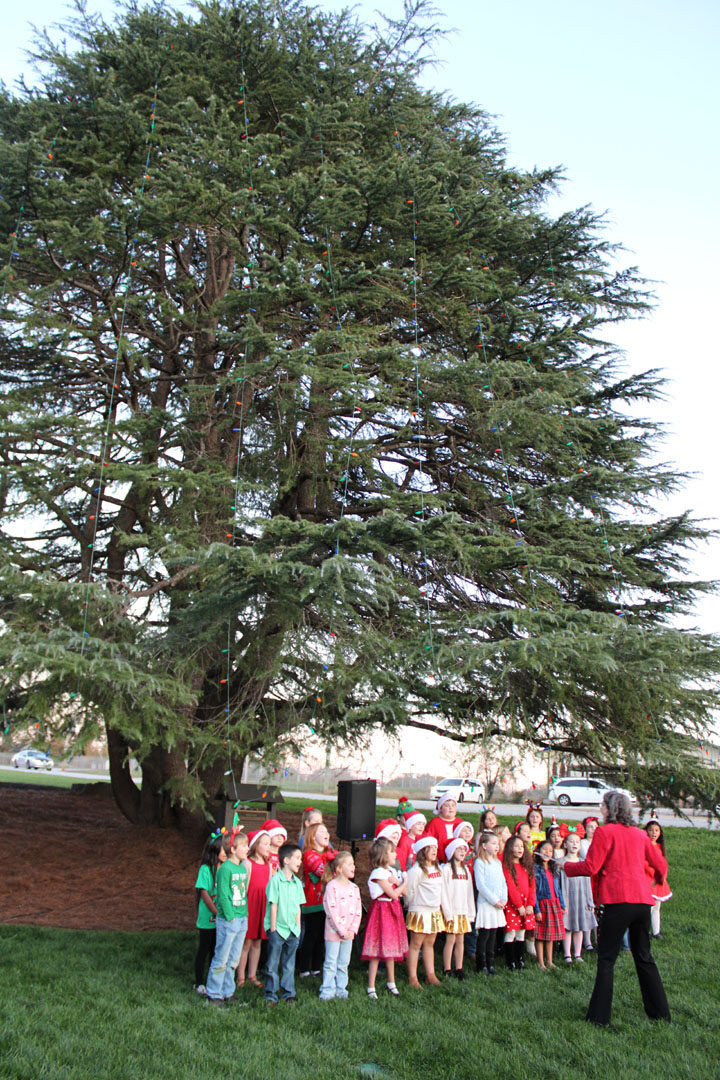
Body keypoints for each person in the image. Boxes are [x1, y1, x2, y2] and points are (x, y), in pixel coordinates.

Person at [564, 790, 671, 1026]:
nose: (600, 810)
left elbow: (591, 866)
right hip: (643, 902)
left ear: (610, 809)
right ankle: (661, 1013)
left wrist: (567, 868)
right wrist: (658, 880)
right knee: (644, 956)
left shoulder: (604, 832)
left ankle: (599, 1018)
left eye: (602, 806)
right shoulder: (640, 834)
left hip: (617, 901)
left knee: (607, 960)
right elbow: (660, 864)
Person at [205, 830, 249, 1006]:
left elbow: (243, 894)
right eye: (244, 846)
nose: (247, 849)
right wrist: (230, 917)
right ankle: (214, 992)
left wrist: (243, 916)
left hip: (241, 918)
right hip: (228, 920)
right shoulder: (225, 869)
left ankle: (228, 991)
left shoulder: (241, 868)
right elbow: (223, 895)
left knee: (233, 959)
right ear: (233, 849)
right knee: (222, 957)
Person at [361, 837, 408, 998]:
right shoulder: (378, 873)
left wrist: (398, 882)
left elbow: (404, 894)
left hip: (392, 909)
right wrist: (403, 882)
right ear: (383, 855)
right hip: (382, 910)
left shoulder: (392, 872)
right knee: (377, 947)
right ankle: (371, 985)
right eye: (392, 852)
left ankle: (391, 981)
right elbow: (394, 893)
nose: (395, 854)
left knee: (391, 945)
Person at [264, 842, 305, 1005]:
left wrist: (298, 927)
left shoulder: (297, 883)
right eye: (297, 858)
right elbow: (273, 904)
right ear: (286, 860)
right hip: (278, 929)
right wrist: (273, 928)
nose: (300, 862)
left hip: (293, 930)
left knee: (289, 963)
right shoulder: (276, 881)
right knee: (272, 963)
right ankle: (270, 993)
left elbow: (298, 907)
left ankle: (288, 993)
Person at [319, 851, 362, 1000]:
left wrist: (352, 930)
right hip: (333, 933)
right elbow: (331, 911)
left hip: (348, 934)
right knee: (331, 962)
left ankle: (341, 988)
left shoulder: (354, 888)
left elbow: (358, 911)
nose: (353, 867)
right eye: (349, 864)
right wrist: (341, 930)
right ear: (338, 868)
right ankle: (327, 989)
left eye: (353, 864)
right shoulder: (332, 887)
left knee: (344, 962)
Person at [405, 836, 445, 987]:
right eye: (431, 848)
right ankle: (412, 977)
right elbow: (409, 891)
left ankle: (430, 974)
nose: (434, 851)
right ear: (422, 851)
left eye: (435, 848)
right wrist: (410, 904)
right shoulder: (416, 871)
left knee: (430, 943)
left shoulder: (437, 868)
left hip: (434, 911)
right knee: (416, 944)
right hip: (420, 911)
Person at [237, 828, 273, 989]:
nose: (268, 846)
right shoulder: (247, 863)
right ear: (256, 844)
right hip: (250, 905)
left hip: (262, 906)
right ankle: (241, 976)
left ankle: (252, 974)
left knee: (258, 942)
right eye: (265, 843)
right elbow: (243, 888)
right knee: (246, 942)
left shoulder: (268, 865)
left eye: (269, 844)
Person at [297, 821, 334, 977]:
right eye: (322, 832)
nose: (327, 834)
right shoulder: (309, 855)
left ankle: (316, 967)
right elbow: (323, 872)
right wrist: (332, 862)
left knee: (321, 936)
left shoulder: (329, 852)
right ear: (312, 836)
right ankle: (304, 967)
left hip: (327, 901)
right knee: (311, 934)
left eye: (327, 831)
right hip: (313, 901)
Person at [193, 830, 226, 995]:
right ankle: (199, 982)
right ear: (215, 850)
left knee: (216, 950)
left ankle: (213, 981)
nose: (227, 853)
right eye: (224, 850)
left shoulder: (226, 868)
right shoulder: (206, 870)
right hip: (208, 919)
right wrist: (215, 912)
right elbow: (205, 893)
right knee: (204, 949)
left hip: (221, 919)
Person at [440, 838, 475, 979]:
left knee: (461, 940)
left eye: (464, 849)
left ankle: (459, 968)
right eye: (459, 849)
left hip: (463, 911)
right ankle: (447, 968)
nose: (462, 852)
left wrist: (471, 912)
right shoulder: (446, 869)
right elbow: (444, 893)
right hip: (452, 911)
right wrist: (448, 913)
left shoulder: (465, 869)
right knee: (451, 940)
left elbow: (469, 893)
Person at [473, 831, 507, 975]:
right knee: (484, 934)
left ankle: (491, 962)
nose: (496, 846)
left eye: (497, 843)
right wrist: (494, 900)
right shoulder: (480, 862)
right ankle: (481, 964)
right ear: (484, 846)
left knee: (493, 933)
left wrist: (503, 898)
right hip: (486, 904)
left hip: (498, 904)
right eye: (493, 843)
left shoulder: (497, 862)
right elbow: (481, 885)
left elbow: (502, 882)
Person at [560, 831, 596, 963]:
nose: (574, 844)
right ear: (565, 844)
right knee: (568, 926)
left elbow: (588, 885)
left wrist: (590, 902)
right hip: (567, 897)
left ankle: (578, 953)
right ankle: (567, 954)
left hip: (581, 898)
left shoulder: (583, 863)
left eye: (577, 842)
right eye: (571, 841)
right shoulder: (560, 863)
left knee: (579, 926)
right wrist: (561, 902)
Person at [502, 835, 536, 971]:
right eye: (516, 846)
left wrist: (530, 904)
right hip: (514, 905)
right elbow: (510, 886)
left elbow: (532, 885)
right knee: (511, 932)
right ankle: (510, 961)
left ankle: (519, 959)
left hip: (526, 904)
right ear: (510, 848)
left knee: (521, 932)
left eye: (522, 846)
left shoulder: (526, 866)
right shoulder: (507, 866)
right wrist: (518, 905)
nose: (520, 849)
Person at [533, 839, 566, 970]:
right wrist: (536, 909)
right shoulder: (535, 869)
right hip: (542, 903)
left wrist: (562, 904)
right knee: (540, 935)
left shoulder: (554, 869)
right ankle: (541, 962)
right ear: (538, 851)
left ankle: (550, 961)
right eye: (544, 850)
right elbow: (534, 891)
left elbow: (558, 888)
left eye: (550, 851)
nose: (547, 853)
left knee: (550, 935)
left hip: (554, 903)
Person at [644, 814, 672, 938]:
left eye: (656, 830)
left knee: (656, 907)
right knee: (648, 908)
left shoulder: (660, 847)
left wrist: (662, 876)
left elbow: (663, 864)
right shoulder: (645, 846)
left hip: (658, 881)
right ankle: (646, 930)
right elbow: (645, 863)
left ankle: (656, 931)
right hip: (648, 880)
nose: (653, 833)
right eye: (650, 830)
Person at [424, 793, 465, 862]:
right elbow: (428, 839)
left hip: (458, 858)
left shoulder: (460, 822)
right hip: (440, 858)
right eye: (447, 806)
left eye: (453, 805)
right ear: (440, 809)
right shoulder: (435, 823)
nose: (450, 808)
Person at [396, 806, 427, 871]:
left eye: (423, 824)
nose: (421, 827)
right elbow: (402, 859)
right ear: (410, 826)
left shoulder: (420, 840)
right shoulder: (405, 841)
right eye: (418, 824)